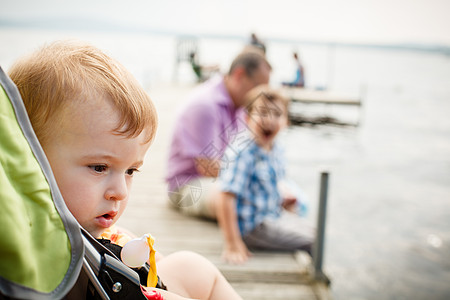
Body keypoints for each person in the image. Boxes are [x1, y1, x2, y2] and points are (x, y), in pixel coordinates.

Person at [8, 40, 242, 300]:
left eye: (131, 171)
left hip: (119, 280)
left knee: (193, 269)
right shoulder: (30, 243)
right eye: (99, 167)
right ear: (31, 159)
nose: (120, 192)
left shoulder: (88, 227)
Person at [166, 48, 272, 220]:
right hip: (187, 187)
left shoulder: (239, 106)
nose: (261, 95)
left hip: (220, 178)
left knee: (284, 193)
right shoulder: (205, 105)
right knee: (235, 197)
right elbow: (207, 167)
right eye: (258, 87)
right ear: (239, 75)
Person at [216, 85, 315, 264]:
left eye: (277, 114)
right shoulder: (242, 152)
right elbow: (225, 197)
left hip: (273, 214)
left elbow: (269, 183)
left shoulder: (276, 149)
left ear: (286, 121)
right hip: (254, 227)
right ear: (247, 118)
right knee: (314, 242)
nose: (269, 119)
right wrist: (232, 242)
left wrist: (282, 199)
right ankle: (317, 274)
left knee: (318, 232)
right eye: (262, 113)